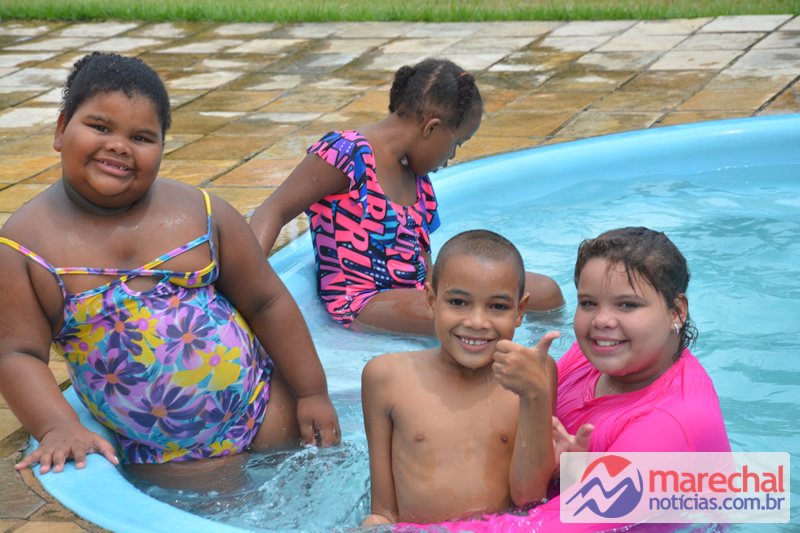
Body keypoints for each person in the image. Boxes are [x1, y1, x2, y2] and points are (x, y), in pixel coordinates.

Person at [0, 52, 340, 487]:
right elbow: (18, 354)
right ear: (61, 129)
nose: (119, 145)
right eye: (100, 127)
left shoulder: (202, 214)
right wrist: (57, 425)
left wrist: (312, 392)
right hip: (162, 453)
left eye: (142, 137)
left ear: (163, 146)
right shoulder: (26, 247)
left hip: (266, 409)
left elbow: (266, 301)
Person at [397, 226, 731, 532]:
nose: (601, 321)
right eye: (588, 303)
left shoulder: (670, 424)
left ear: (676, 311)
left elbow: (553, 527)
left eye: (627, 305)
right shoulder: (595, 359)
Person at [249, 58, 564, 336]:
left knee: (545, 292)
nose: (452, 157)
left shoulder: (418, 178)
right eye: (456, 143)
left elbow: (424, 261)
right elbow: (272, 211)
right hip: (362, 302)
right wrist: (244, 291)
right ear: (431, 128)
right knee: (467, 317)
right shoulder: (346, 154)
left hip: (414, 295)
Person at [361, 229, 560, 525]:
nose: (477, 322)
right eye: (458, 302)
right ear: (431, 301)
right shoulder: (386, 377)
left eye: (498, 307)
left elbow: (530, 500)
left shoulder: (534, 372)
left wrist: (535, 394)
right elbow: (383, 511)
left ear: (519, 311)